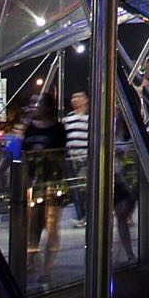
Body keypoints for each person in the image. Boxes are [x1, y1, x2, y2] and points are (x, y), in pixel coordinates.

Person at [20, 98, 68, 260]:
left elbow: (61, 154)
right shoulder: (30, 128)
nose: (35, 107)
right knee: (33, 223)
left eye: (38, 104)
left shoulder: (58, 129)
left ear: (47, 107)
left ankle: (48, 267)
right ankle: (31, 259)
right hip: (33, 181)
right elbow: (24, 152)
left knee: (51, 224)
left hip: (52, 180)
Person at [64, 91, 90, 225]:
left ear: (86, 100)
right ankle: (83, 216)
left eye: (78, 97)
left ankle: (86, 216)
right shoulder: (68, 118)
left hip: (86, 158)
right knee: (75, 189)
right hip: (71, 159)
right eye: (73, 97)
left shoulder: (91, 118)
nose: (75, 99)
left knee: (83, 188)